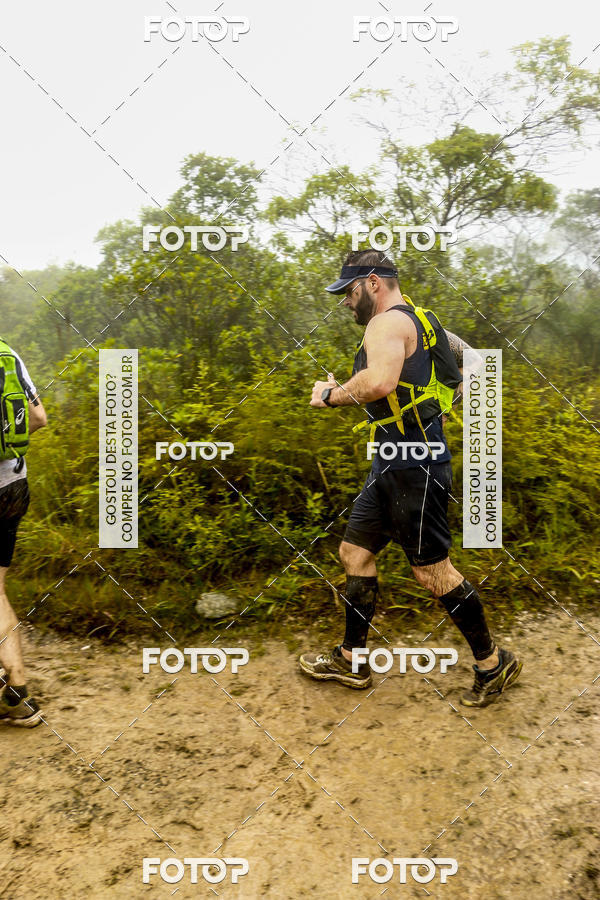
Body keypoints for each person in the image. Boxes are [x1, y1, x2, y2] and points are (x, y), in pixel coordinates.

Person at [299, 250, 522, 708]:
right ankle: (351, 659)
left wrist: (330, 395)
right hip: (395, 460)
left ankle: (492, 663)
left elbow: (378, 383)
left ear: (373, 282)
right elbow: (477, 363)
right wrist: (440, 404)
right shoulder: (424, 321)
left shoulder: (384, 324)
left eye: (348, 290)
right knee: (354, 552)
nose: (344, 300)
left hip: (414, 468)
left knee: (431, 571)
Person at [0, 340, 47, 727]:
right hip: (14, 487)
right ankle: (15, 691)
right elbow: (38, 418)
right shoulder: (9, 353)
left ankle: (16, 689)